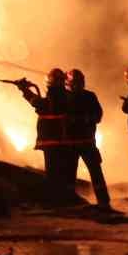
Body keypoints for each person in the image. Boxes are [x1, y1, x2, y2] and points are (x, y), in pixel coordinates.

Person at [16, 68, 111, 208]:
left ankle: (102, 202)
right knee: (71, 175)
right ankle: (73, 201)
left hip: (82, 143)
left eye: (79, 82)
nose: (77, 85)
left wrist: (25, 90)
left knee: (93, 173)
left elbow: (42, 105)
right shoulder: (69, 96)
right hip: (71, 143)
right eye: (75, 82)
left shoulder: (81, 97)